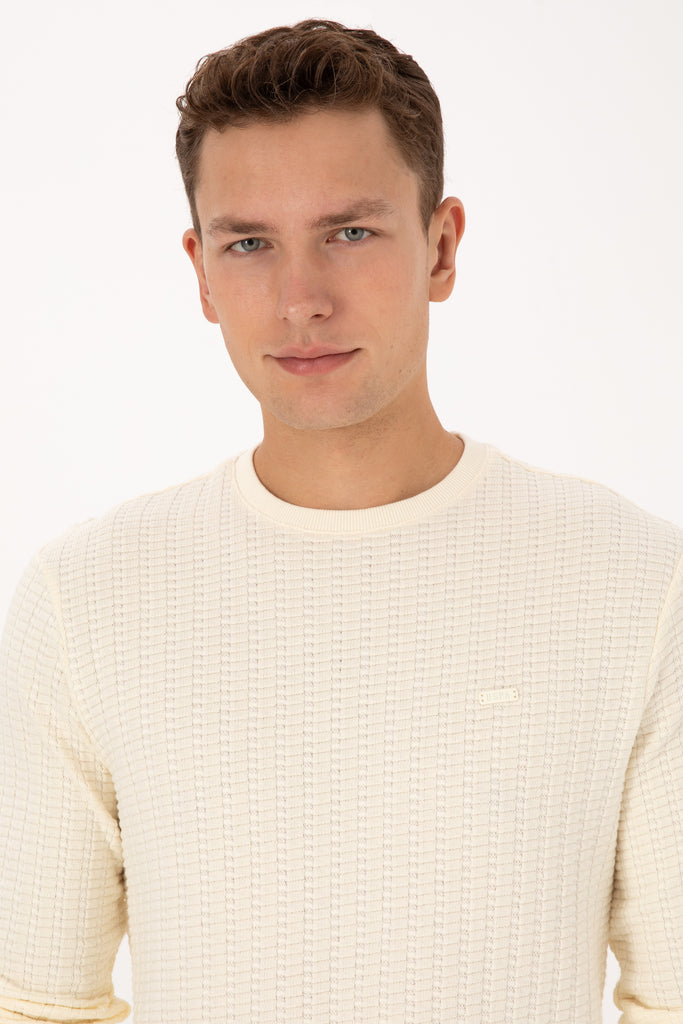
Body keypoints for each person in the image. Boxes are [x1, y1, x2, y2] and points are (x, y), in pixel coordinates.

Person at [0, 18, 681, 1024]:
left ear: (440, 247)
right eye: (248, 244)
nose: (299, 299)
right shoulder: (86, 599)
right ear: (200, 271)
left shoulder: (632, 581)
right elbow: (37, 1004)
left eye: (349, 233)